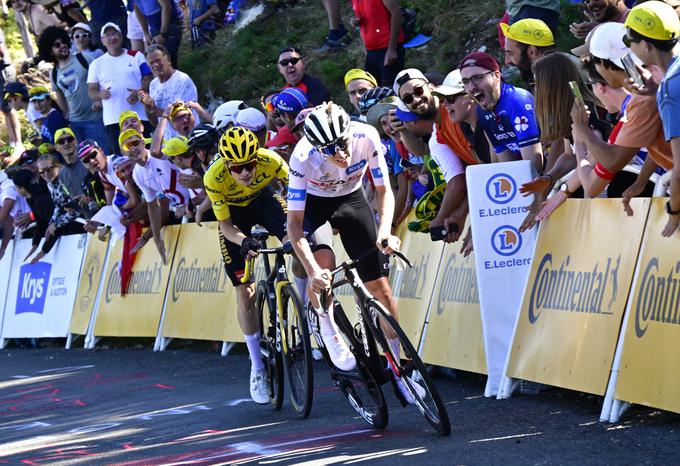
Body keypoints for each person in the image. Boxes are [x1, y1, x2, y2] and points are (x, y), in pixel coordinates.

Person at [287, 102, 424, 402]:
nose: (341, 153)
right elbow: (294, 225)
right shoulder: (301, 157)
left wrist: (385, 231)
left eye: (343, 143)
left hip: (352, 199)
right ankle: (326, 323)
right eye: (330, 149)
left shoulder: (366, 135)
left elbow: (385, 190)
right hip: (314, 207)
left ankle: (400, 368)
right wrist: (312, 271)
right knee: (324, 264)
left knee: (382, 292)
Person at [203, 126, 289, 404]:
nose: (246, 172)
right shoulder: (214, 177)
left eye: (250, 164)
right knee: (245, 291)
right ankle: (257, 366)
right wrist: (243, 242)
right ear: (227, 164)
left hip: (264, 201)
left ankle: (309, 307)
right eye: (238, 167)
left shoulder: (272, 161)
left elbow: (297, 192)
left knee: (297, 239)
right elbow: (225, 225)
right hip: (234, 218)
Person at [459, 52, 544, 231]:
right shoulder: (482, 111)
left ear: (496, 76)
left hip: (548, 177)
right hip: (528, 182)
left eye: (477, 78)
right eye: (466, 81)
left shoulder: (517, 101)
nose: (472, 86)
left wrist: (532, 201)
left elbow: (534, 164)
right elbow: (505, 165)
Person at [393, 68, 476, 241]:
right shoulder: (437, 136)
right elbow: (469, 177)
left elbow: (461, 182)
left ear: (431, 87)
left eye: (418, 91)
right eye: (408, 99)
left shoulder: (458, 112)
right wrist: (459, 216)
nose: (415, 99)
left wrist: (441, 219)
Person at [623, 0, 680, 236]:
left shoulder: (669, 88)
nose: (629, 48)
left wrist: (674, 212)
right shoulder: (665, 86)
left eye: (630, 41)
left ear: (646, 45)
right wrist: (640, 182)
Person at [121, 128, 190, 262]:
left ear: (143, 142)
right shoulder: (137, 174)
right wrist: (156, 238)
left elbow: (189, 171)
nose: (133, 149)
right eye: (127, 146)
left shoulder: (161, 155)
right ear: (123, 151)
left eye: (135, 143)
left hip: (195, 203)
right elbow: (152, 206)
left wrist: (190, 203)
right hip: (182, 211)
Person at [38, 26, 109, 153]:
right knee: (87, 160)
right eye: (57, 45)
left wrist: (100, 100)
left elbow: (103, 80)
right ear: (50, 51)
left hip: (96, 120)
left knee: (104, 155)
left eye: (64, 42)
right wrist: (65, 116)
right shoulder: (53, 73)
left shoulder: (84, 59)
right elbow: (60, 96)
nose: (63, 46)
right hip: (75, 124)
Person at [87, 22, 153, 153]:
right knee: (123, 158)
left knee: (146, 154)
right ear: (102, 40)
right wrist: (100, 94)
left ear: (121, 37)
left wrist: (140, 90)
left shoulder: (136, 55)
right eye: (107, 35)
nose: (112, 38)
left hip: (139, 118)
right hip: (113, 120)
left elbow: (149, 78)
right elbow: (91, 90)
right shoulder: (96, 64)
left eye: (115, 33)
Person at [31, 153, 94, 264]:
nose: (45, 174)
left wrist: (56, 224)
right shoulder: (50, 183)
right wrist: (51, 222)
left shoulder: (65, 179)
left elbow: (76, 210)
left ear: (58, 166)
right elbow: (58, 205)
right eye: (41, 172)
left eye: (49, 169)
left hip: (89, 217)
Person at [140, 44, 198, 128]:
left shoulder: (182, 80)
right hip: (167, 140)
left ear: (168, 59)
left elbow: (183, 117)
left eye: (158, 60)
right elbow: (155, 122)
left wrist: (155, 110)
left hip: (188, 137)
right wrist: (147, 106)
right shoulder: (153, 85)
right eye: (151, 63)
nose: (155, 65)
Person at [350, 0, 404, 87]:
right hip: (371, 52)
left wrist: (392, 49)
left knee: (390, 92)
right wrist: (355, 21)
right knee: (373, 90)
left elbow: (396, 13)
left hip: (388, 48)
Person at [11, 169, 54, 262]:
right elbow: (41, 221)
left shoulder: (41, 200)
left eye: (16, 187)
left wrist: (43, 251)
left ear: (22, 188)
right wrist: (35, 245)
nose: (16, 190)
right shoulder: (29, 198)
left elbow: (56, 225)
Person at [132, 0, 184, 68]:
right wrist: (146, 33)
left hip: (172, 22)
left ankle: (177, 77)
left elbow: (166, 6)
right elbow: (137, 11)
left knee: (169, 60)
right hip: (155, 27)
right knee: (160, 60)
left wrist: (163, 34)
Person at [53, 127, 89, 197]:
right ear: (56, 147)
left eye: (70, 139)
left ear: (76, 141)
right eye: (61, 141)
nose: (66, 143)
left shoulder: (89, 160)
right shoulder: (58, 172)